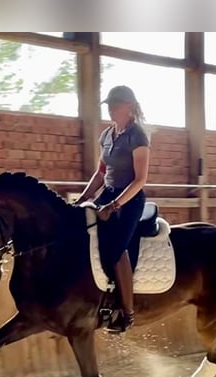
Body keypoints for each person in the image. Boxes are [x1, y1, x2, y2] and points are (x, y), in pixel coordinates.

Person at [76, 85, 151, 334]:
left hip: (130, 199)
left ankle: (127, 312)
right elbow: (100, 172)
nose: (110, 109)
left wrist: (115, 204)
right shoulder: (106, 135)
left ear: (128, 106)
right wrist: (85, 196)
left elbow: (140, 179)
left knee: (116, 247)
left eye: (114, 105)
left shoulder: (137, 136)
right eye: (108, 105)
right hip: (108, 193)